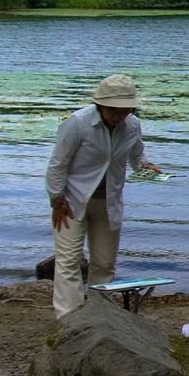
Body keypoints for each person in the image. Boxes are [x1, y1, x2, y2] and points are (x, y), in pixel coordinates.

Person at [45, 74, 160, 319]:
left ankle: (99, 317)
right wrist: (57, 200)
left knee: (105, 263)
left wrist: (147, 166)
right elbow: (57, 165)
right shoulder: (77, 123)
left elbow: (137, 157)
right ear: (100, 105)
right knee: (69, 261)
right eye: (113, 110)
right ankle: (69, 319)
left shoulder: (132, 125)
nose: (118, 115)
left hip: (109, 202)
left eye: (124, 110)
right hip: (72, 202)